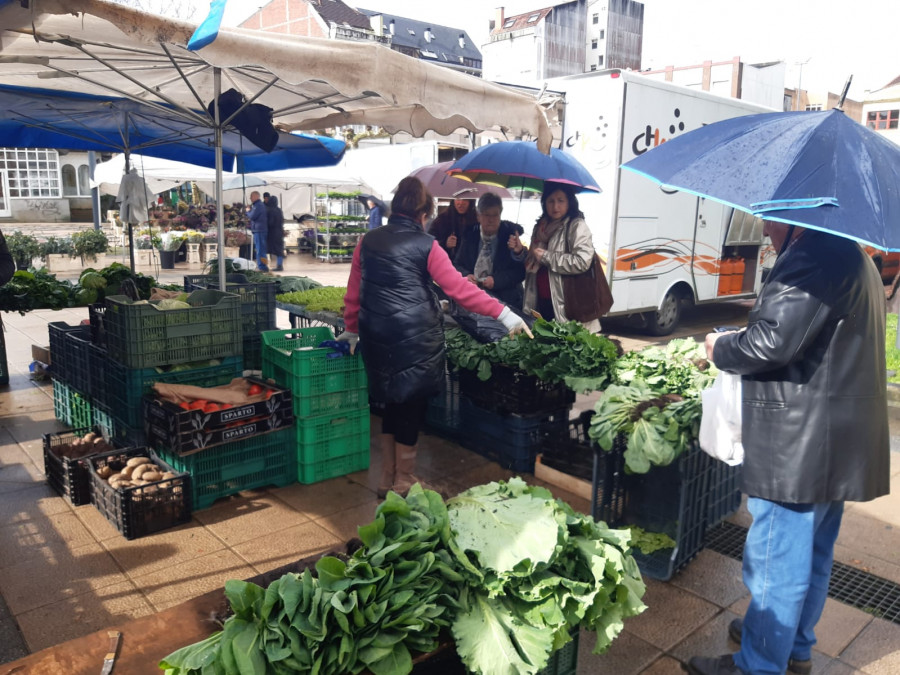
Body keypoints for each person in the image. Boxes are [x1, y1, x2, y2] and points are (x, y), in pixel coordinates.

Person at [685, 222, 890, 675]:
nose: (762, 225)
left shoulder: (813, 256)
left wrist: (720, 347)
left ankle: (758, 664)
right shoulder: (850, 253)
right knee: (812, 552)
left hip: (800, 441)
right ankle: (791, 645)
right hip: (832, 438)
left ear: (790, 214)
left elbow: (770, 343)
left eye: (767, 217)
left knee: (776, 559)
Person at [340, 177, 532, 498]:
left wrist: (350, 329)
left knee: (389, 403)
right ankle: (404, 481)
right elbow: (460, 290)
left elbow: (353, 292)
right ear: (423, 213)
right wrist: (505, 314)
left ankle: (387, 478)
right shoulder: (427, 245)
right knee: (410, 407)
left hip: (375, 334)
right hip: (413, 337)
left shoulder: (368, 241)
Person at [511, 182, 600, 332]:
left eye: (560, 201)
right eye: (551, 201)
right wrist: (520, 251)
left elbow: (582, 261)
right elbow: (533, 261)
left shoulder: (576, 226)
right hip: (540, 301)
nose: (555, 207)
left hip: (568, 304)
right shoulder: (540, 226)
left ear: (569, 202)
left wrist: (546, 256)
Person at [453, 191, 526, 310]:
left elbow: (519, 273)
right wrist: (466, 275)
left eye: (495, 215)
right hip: (473, 298)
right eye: (487, 215)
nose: (491, 220)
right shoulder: (469, 235)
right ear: (478, 216)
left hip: (505, 301)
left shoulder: (510, 237)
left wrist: (496, 281)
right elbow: (456, 264)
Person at [427, 197, 477, 262]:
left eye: (465, 199)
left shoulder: (477, 220)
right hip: (445, 264)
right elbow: (429, 244)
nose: (461, 203)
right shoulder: (442, 220)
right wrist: (444, 244)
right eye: (457, 198)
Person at [246, 190, 268, 272]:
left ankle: (262, 266)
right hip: (258, 229)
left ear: (256, 196)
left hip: (260, 230)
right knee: (260, 249)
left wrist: (248, 211)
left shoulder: (258, 206)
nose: (250, 198)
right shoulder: (257, 205)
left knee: (260, 250)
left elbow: (252, 216)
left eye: (251, 196)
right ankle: (262, 265)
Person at [264, 193, 285, 271]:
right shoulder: (279, 210)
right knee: (279, 249)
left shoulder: (269, 210)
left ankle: (265, 264)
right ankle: (280, 265)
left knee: (266, 249)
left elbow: (270, 223)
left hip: (272, 233)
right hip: (279, 232)